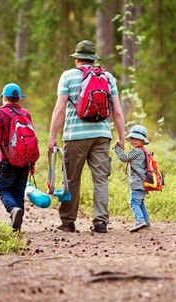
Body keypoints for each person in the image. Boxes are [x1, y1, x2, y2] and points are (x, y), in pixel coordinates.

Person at [47, 40, 126, 233]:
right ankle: (100, 222)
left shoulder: (67, 76)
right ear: (93, 59)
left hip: (75, 136)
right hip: (102, 135)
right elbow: (117, 111)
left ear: (77, 60)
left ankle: (67, 222)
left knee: (71, 179)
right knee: (101, 179)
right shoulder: (107, 77)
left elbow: (60, 109)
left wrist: (52, 137)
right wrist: (121, 137)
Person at [0, 83, 36, 231]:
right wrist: (32, 163)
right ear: (19, 99)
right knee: (18, 192)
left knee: (4, 190)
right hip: (25, 160)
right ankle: (17, 228)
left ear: (4, 97)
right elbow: (31, 140)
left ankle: (13, 210)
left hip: (7, 159)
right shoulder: (25, 113)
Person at [114, 125, 152, 232]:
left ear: (143, 140)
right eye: (132, 139)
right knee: (140, 202)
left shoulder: (137, 151)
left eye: (137, 139)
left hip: (137, 182)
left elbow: (124, 158)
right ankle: (146, 222)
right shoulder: (144, 151)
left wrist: (117, 148)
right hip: (144, 182)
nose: (134, 141)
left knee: (134, 202)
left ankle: (140, 221)